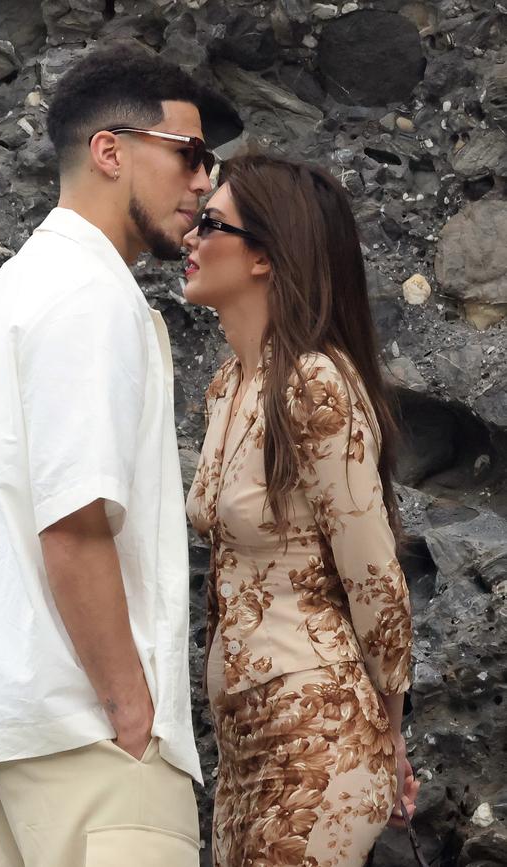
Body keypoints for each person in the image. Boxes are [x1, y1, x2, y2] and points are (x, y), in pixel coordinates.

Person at [0, 45, 237, 867]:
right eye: (188, 154)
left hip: (30, 727)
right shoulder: (89, 296)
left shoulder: (17, 290)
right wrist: (131, 709)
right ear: (111, 151)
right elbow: (73, 521)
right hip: (94, 739)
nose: (202, 183)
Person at [184, 154, 419, 867]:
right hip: (244, 737)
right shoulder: (228, 385)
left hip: (319, 726)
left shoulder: (313, 383)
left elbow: (376, 577)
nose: (189, 238)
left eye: (210, 223)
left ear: (265, 255)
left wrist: (391, 730)